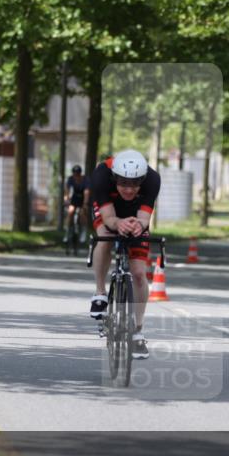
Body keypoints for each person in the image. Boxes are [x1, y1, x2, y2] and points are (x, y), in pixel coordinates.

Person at [88, 149, 161, 360]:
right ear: (114, 179)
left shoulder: (153, 179)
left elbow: (145, 217)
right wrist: (117, 223)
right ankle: (100, 292)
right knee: (104, 237)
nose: (129, 189)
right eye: (123, 184)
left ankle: (138, 331)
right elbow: (109, 218)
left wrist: (139, 226)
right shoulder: (101, 175)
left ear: (143, 180)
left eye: (134, 184)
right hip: (108, 210)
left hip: (135, 212)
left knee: (139, 273)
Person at [64, 165, 87, 242]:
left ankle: (83, 232)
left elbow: (87, 192)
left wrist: (85, 204)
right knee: (70, 212)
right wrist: (66, 198)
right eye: (74, 174)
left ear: (80, 174)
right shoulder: (70, 179)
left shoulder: (85, 180)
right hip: (74, 198)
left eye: (77, 174)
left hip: (83, 198)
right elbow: (67, 190)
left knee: (82, 213)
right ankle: (67, 232)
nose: (76, 176)